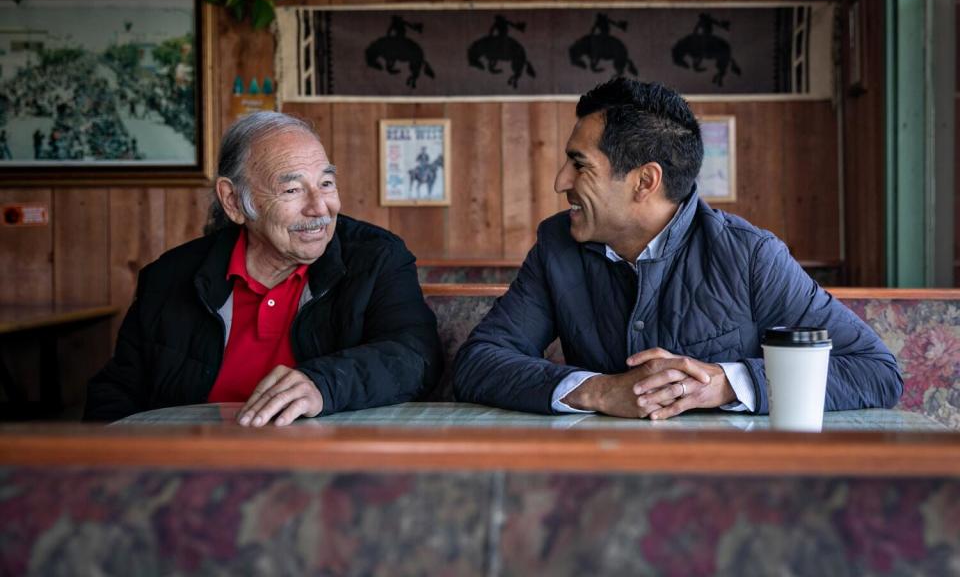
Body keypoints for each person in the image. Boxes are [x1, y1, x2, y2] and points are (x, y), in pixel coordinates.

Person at [454, 78, 902, 418]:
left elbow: (876, 370)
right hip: (594, 486)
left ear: (645, 181)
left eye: (579, 165)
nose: (560, 182)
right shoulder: (558, 247)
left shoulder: (750, 256)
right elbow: (478, 362)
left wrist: (727, 383)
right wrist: (598, 389)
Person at [85, 111, 442, 425]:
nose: (320, 207)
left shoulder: (376, 259)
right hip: (196, 474)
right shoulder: (169, 278)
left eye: (326, 184)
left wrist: (323, 384)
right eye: (291, 190)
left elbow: (415, 356)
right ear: (234, 201)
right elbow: (117, 394)